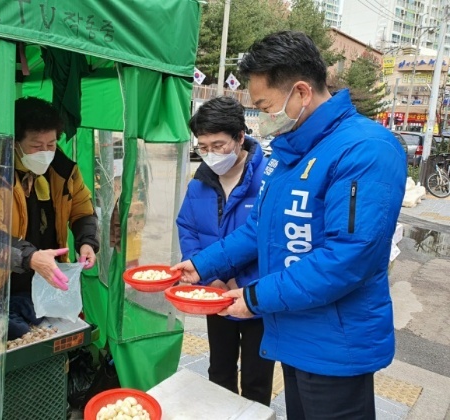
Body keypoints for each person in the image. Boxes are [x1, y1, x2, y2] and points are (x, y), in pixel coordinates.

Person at [172, 31, 407, 419]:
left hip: (335, 344)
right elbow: (257, 230)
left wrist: (255, 297)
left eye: (264, 105)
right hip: (293, 328)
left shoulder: (365, 149)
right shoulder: (290, 153)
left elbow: (347, 257)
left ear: (300, 92)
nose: (262, 116)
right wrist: (201, 264)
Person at [0, 96, 99, 339]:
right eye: (35, 145)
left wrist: (87, 242)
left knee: (58, 334)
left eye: (51, 144)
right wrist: (30, 257)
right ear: (15, 142)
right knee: (16, 337)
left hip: (44, 282)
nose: (45, 152)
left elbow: (83, 210)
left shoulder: (63, 168)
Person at [176, 96, 274, 405]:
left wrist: (242, 283)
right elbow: (188, 229)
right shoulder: (200, 183)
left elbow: (271, 240)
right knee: (219, 372)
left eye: (218, 145)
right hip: (214, 293)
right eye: (202, 147)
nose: (210, 154)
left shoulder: (269, 179)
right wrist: (210, 280)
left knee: (257, 380)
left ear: (240, 137)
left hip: (255, 296)